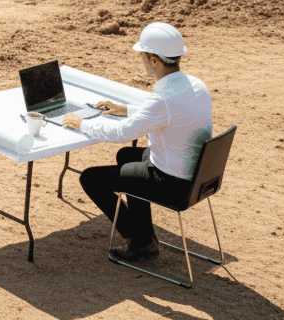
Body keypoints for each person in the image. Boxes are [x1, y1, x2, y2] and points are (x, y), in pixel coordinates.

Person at [63, 22, 213, 262]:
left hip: (172, 183)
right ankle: (144, 235)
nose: (142, 61)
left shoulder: (162, 98)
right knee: (126, 156)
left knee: (90, 178)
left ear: (154, 60)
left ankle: (141, 242)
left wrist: (82, 124)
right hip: (197, 174)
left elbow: (122, 133)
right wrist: (125, 109)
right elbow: (164, 114)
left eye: (143, 56)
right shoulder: (196, 85)